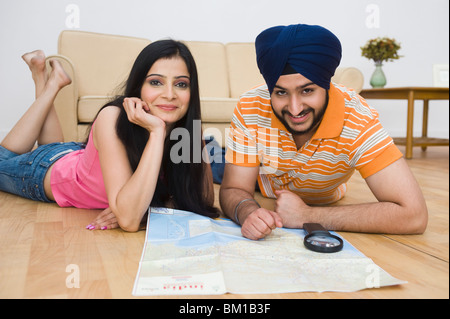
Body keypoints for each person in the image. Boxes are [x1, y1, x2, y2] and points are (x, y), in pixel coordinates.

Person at [219, 24, 428, 240]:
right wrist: (248, 212)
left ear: (327, 84)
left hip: (318, 196)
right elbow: (233, 189)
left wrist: (307, 215)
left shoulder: (357, 118)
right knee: (208, 166)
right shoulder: (251, 106)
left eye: (307, 90)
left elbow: (414, 215)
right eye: (281, 92)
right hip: (260, 179)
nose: (295, 108)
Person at [0, 40, 219, 232]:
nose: (170, 95)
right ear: (138, 86)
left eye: (181, 84)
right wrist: (156, 132)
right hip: (44, 170)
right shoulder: (112, 117)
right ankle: (49, 86)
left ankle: (47, 80)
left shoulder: (185, 129)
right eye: (156, 82)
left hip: (76, 156)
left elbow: (203, 200)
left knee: (53, 145)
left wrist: (145, 207)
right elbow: (129, 220)